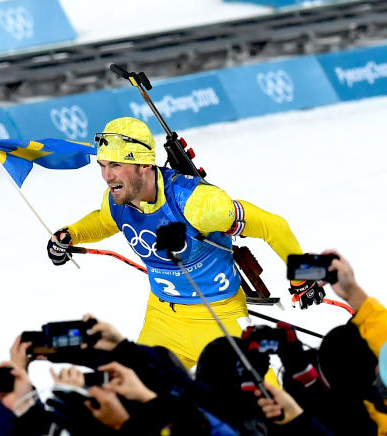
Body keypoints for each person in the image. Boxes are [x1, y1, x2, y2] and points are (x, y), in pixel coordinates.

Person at [46, 116, 313, 368]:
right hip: (162, 321)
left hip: (219, 319)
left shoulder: (197, 203)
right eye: (103, 166)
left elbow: (274, 226)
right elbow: (105, 222)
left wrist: (304, 277)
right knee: (133, 403)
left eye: (116, 166)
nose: (107, 176)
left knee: (270, 407)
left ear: (145, 165)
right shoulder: (117, 200)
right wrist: (71, 234)